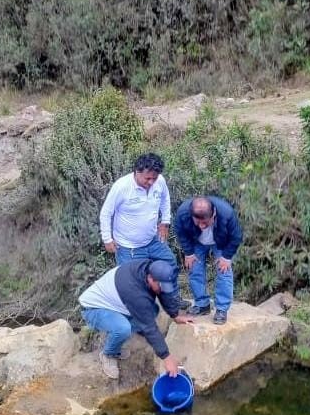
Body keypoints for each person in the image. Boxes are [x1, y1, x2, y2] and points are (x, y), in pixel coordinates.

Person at [79, 259, 194, 380]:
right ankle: (108, 354)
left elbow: (163, 293)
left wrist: (175, 315)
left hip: (118, 302)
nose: (163, 289)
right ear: (150, 278)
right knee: (123, 329)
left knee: (152, 311)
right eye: (161, 286)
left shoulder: (149, 269)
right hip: (93, 309)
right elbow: (150, 327)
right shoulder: (135, 292)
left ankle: (131, 331)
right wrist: (167, 358)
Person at [100, 153, 188, 307]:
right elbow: (106, 212)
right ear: (137, 171)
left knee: (170, 264)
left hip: (152, 240)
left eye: (154, 178)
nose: (151, 182)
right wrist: (107, 238)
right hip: (129, 247)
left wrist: (165, 222)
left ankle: (172, 299)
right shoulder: (122, 187)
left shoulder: (159, 181)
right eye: (148, 178)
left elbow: (165, 199)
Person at [174, 195, 243, 325]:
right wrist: (188, 253)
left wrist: (226, 257)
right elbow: (181, 232)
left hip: (220, 242)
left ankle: (222, 309)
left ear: (213, 214)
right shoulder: (183, 212)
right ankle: (202, 304)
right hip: (197, 242)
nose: (201, 226)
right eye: (197, 222)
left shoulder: (226, 213)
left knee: (224, 271)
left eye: (205, 222)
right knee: (194, 269)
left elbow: (236, 236)